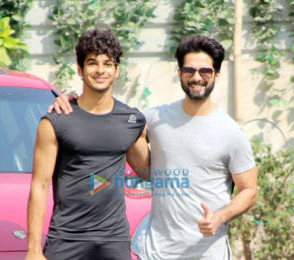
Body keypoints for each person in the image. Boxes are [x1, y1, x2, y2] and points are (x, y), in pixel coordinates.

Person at [50, 35, 258, 260]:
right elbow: (109, 116)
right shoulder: (156, 118)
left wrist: (219, 217)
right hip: (156, 251)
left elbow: (249, 190)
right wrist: (70, 100)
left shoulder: (231, 133)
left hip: (207, 253)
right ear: (179, 74)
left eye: (205, 72)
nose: (196, 78)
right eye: (189, 71)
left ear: (216, 75)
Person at [25, 28, 150, 260]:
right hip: (67, 238)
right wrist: (33, 250)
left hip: (114, 239)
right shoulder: (56, 120)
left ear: (116, 70)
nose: (100, 70)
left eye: (108, 63)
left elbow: (147, 171)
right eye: (92, 63)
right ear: (80, 69)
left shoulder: (132, 121)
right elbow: (39, 186)